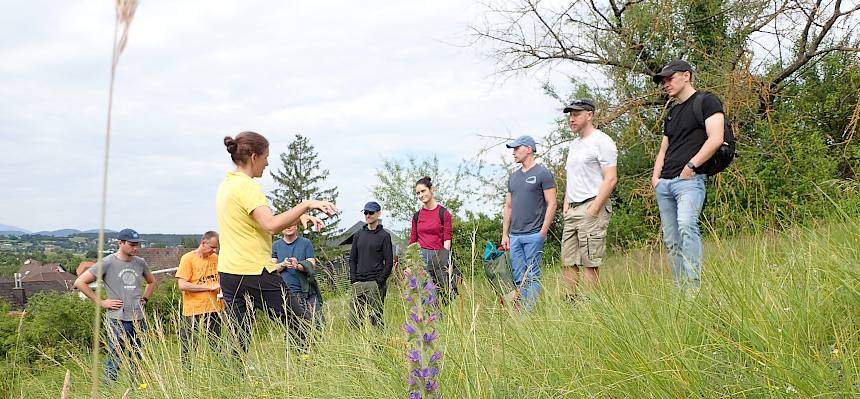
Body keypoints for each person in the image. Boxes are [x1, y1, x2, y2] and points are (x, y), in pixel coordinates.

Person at [216, 131, 337, 352]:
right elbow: (270, 225)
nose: (267, 163)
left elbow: (254, 221)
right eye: (266, 157)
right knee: (303, 324)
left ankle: (234, 380)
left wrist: (298, 217)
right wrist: (306, 204)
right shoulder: (247, 186)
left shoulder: (227, 184)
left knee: (237, 338)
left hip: (228, 273)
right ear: (254, 157)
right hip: (253, 271)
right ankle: (308, 370)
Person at [651, 60, 725, 289]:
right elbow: (664, 148)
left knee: (686, 226)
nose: (665, 84)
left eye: (669, 78)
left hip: (690, 182)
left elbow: (716, 138)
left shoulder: (706, 101)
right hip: (665, 184)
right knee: (671, 240)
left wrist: (691, 167)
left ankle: (693, 289)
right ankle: (679, 289)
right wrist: (656, 179)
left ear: (686, 76)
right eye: (663, 81)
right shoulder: (672, 113)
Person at [74, 228, 155, 382]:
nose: (136, 248)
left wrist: (145, 299)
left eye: (137, 245)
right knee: (116, 358)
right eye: (132, 244)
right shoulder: (107, 262)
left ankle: (139, 389)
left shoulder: (140, 262)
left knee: (138, 358)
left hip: (138, 318)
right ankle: (108, 391)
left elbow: (151, 282)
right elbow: (80, 282)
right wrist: (101, 302)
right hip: (118, 320)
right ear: (120, 243)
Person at [560, 99, 618, 297]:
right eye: (570, 115)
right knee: (568, 260)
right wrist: (566, 203)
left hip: (592, 205)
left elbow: (610, 179)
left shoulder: (602, 141)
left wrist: (594, 209)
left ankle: (589, 305)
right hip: (573, 209)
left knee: (589, 260)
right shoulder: (574, 145)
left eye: (576, 114)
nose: (572, 119)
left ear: (589, 115)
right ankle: (571, 302)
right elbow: (572, 176)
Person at [501, 135, 557, 311]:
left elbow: (552, 203)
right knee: (519, 276)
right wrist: (505, 234)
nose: (513, 153)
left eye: (517, 149)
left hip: (534, 234)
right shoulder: (513, 177)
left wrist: (542, 232)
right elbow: (508, 206)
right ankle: (522, 312)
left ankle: (528, 313)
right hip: (515, 236)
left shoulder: (543, 173)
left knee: (532, 275)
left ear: (529, 149)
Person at [408, 176, 459, 303]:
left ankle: (442, 321)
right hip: (421, 258)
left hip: (439, 256)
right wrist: (410, 263)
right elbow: (413, 239)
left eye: (423, 191)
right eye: (418, 193)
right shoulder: (417, 216)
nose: (420, 195)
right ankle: (432, 321)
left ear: (431, 189)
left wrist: (444, 259)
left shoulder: (444, 213)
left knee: (446, 295)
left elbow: (447, 238)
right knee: (429, 296)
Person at [175, 231, 223, 362]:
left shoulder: (216, 258)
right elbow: (182, 285)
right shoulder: (188, 258)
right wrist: (208, 287)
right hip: (194, 310)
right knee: (189, 347)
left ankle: (218, 373)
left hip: (214, 309)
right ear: (203, 243)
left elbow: (221, 279)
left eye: (216, 247)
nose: (214, 250)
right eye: (212, 247)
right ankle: (187, 376)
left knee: (216, 346)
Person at [348, 201, 394, 329]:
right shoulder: (358, 235)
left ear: (378, 213)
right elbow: (352, 259)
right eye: (366, 212)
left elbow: (389, 262)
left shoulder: (384, 236)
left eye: (371, 212)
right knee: (354, 321)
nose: (368, 215)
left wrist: (379, 281)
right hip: (358, 284)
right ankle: (358, 347)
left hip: (375, 284)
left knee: (376, 319)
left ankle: (378, 347)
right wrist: (353, 279)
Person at [271, 223, 324, 327]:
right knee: (295, 328)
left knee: (318, 324)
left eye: (292, 224)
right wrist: (284, 264)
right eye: (286, 224)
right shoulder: (276, 245)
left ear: (296, 226)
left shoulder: (305, 243)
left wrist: (298, 265)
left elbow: (312, 264)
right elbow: (271, 268)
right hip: (288, 294)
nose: (288, 226)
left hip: (307, 292)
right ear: (281, 228)